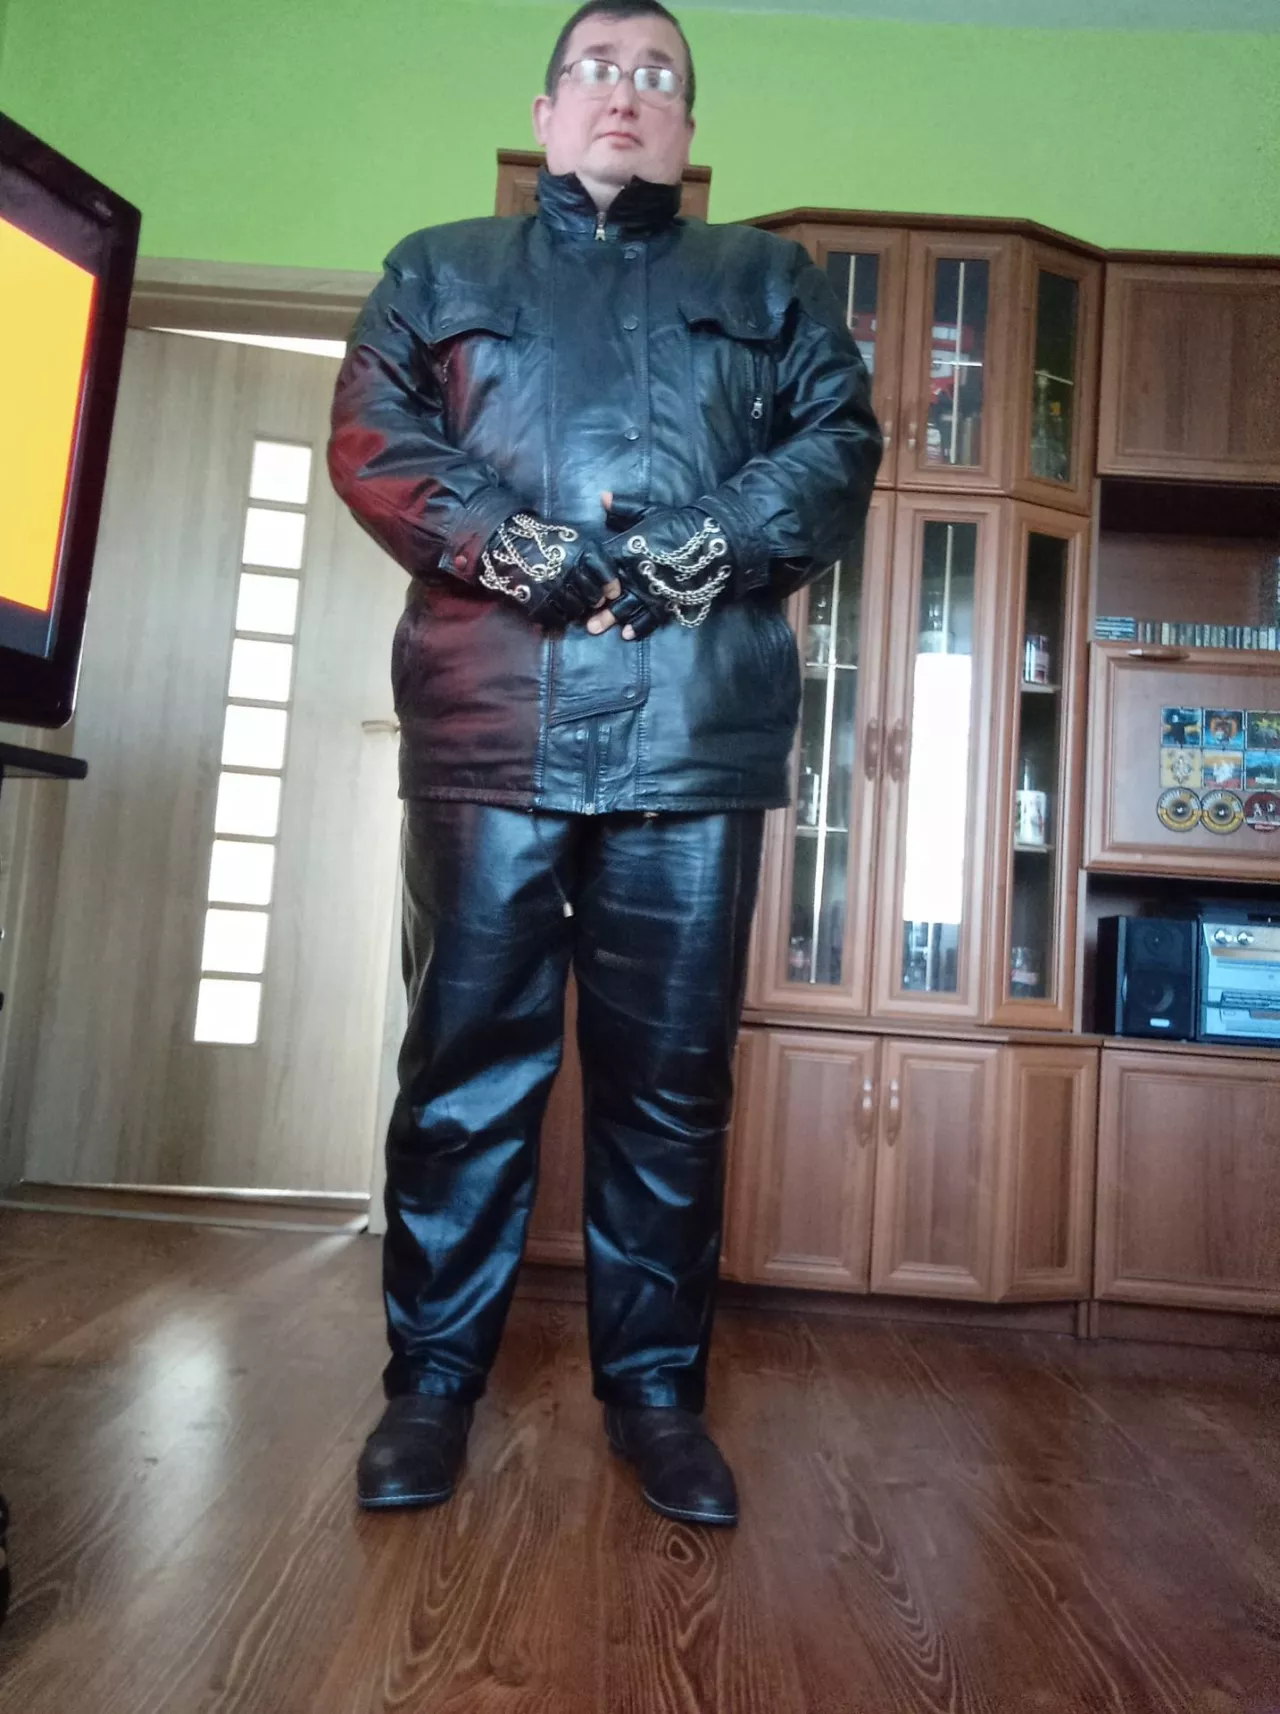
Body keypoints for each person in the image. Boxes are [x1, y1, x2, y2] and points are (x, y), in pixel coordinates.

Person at [327, 0, 881, 1529]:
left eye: (657, 75)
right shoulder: (437, 268)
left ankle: (656, 1398)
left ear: (688, 126)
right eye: (596, 70)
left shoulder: (767, 279)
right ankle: (431, 1385)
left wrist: (712, 540)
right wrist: (512, 544)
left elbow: (839, 445)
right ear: (547, 109)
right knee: (463, 1069)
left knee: (672, 1085)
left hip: (692, 738)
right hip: (489, 726)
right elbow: (374, 438)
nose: (624, 93)